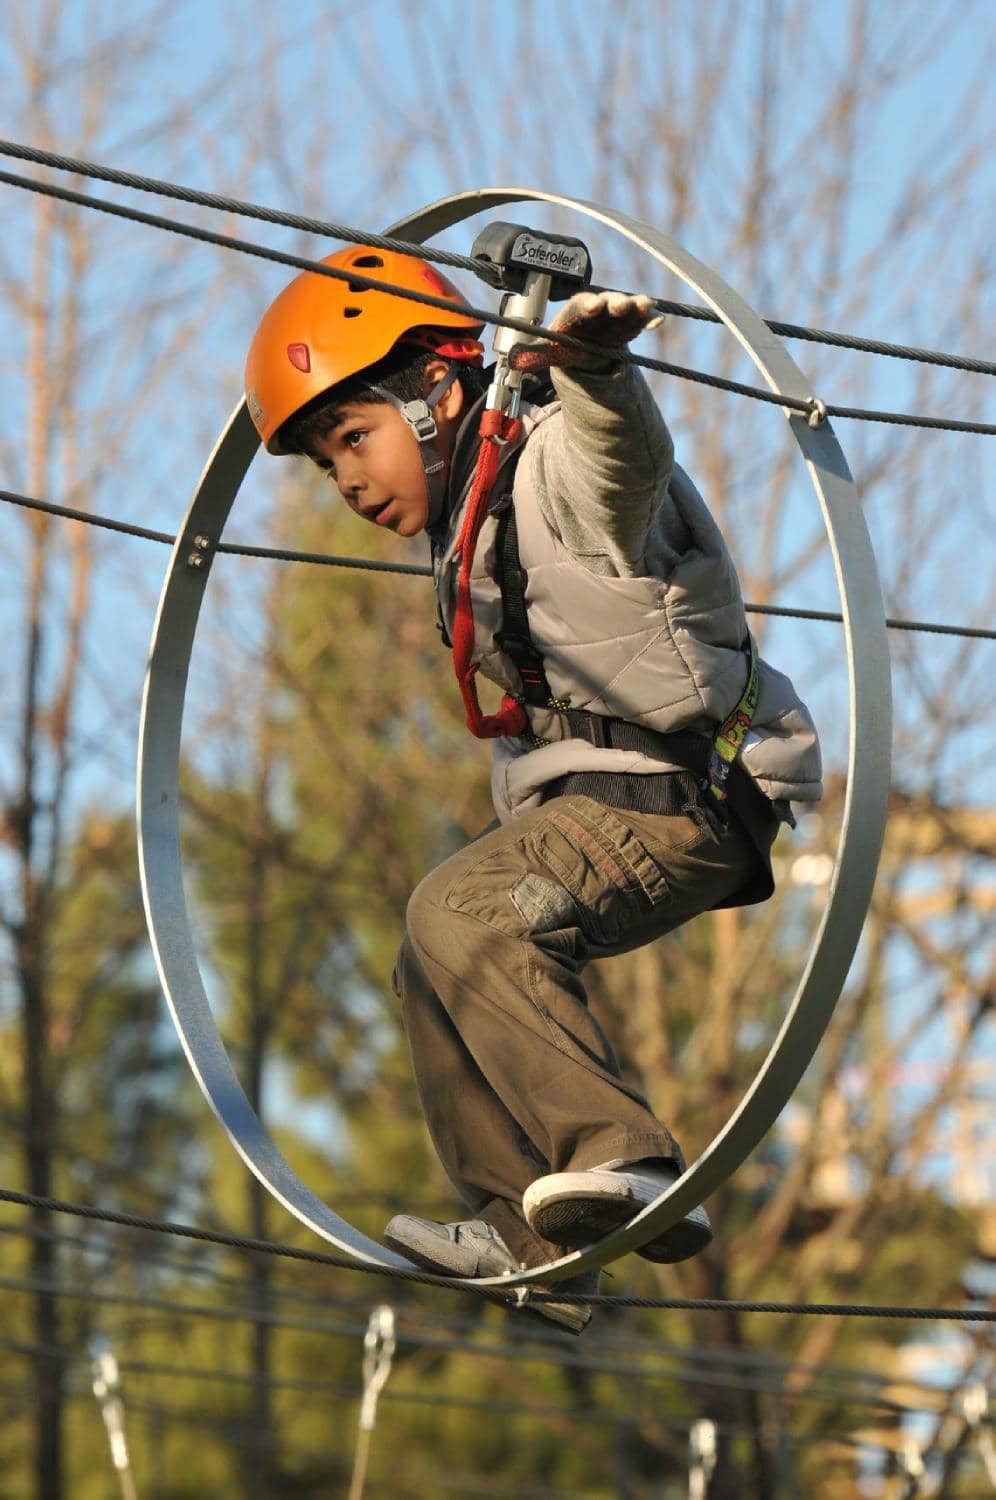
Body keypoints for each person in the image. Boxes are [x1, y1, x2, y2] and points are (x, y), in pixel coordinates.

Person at [244, 243, 822, 1333]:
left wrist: (595, 370)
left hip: (671, 796)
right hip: (600, 809)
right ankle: (529, 1238)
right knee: (434, 955)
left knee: (455, 913)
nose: (349, 480)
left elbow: (622, 461)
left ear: (440, 393)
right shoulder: (472, 515)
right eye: (328, 464)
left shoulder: (550, 461)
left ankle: (625, 1157)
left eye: (355, 438)